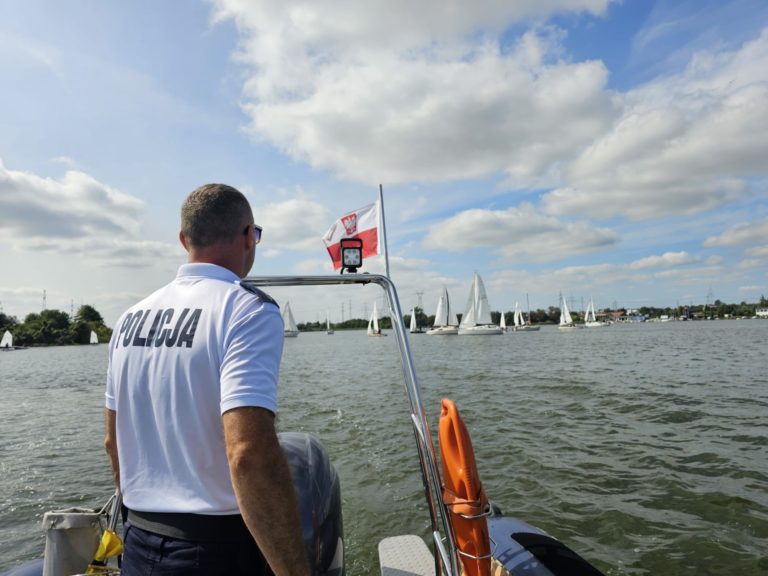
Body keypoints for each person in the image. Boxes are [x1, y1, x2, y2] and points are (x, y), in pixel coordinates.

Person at [104, 183, 310, 576]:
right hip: (214, 552)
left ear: (184, 240)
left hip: (139, 544)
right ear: (250, 236)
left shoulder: (129, 319)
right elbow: (248, 455)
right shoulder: (246, 310)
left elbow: (113, 441)